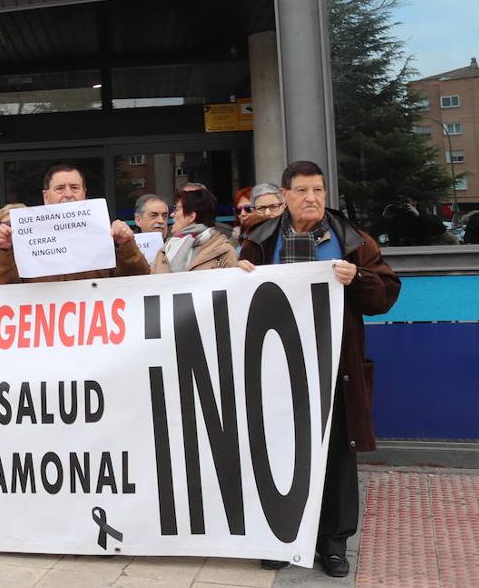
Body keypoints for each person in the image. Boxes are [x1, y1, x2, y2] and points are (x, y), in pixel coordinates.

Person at [241, 161, 401, 578]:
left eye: (319, 190)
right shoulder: (257, 241)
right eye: (302, 191)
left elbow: (386, 295)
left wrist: (359, 278)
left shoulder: (351, 241)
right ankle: (284, 538)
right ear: (285, 194)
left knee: (335, 459)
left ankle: (333, 543)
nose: (311, 198)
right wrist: (236, 277)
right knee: (278, 454)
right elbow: (235, 301)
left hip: (336, 368)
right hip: (278, 368)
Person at [0, 164, 149, 284]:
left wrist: (126, 246)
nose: (68, 194)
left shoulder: (107, 233)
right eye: (60, 189)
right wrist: (3, 250)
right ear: (46, 196)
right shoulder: (24, 236)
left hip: (97, 321)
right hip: (45, 322)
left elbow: (139, 280)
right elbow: (2, 286)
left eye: (74, 188)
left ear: (84, 193)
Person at [151, 187, 244, 272]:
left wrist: (240, 270)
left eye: (177, 209)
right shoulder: (165, 250)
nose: (172, 214)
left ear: (191, 216)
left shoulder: (223, 251)